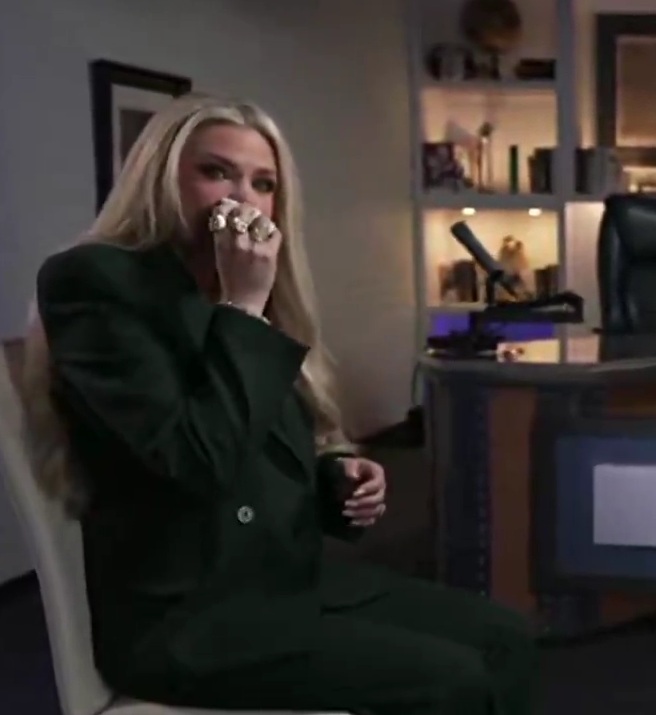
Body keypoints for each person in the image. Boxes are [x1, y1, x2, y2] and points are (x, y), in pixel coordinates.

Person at [21, 94, 536, 715]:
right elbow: (194, 458)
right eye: (216, 173)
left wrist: (335, 477)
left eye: (263, 184)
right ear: (162, 180)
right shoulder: (97, 281)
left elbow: (256, 443)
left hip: (284, 587)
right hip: (192, 621)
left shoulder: (247, 295)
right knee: (454, 680)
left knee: (509, 639)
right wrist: (243, 308)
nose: (242, 199)